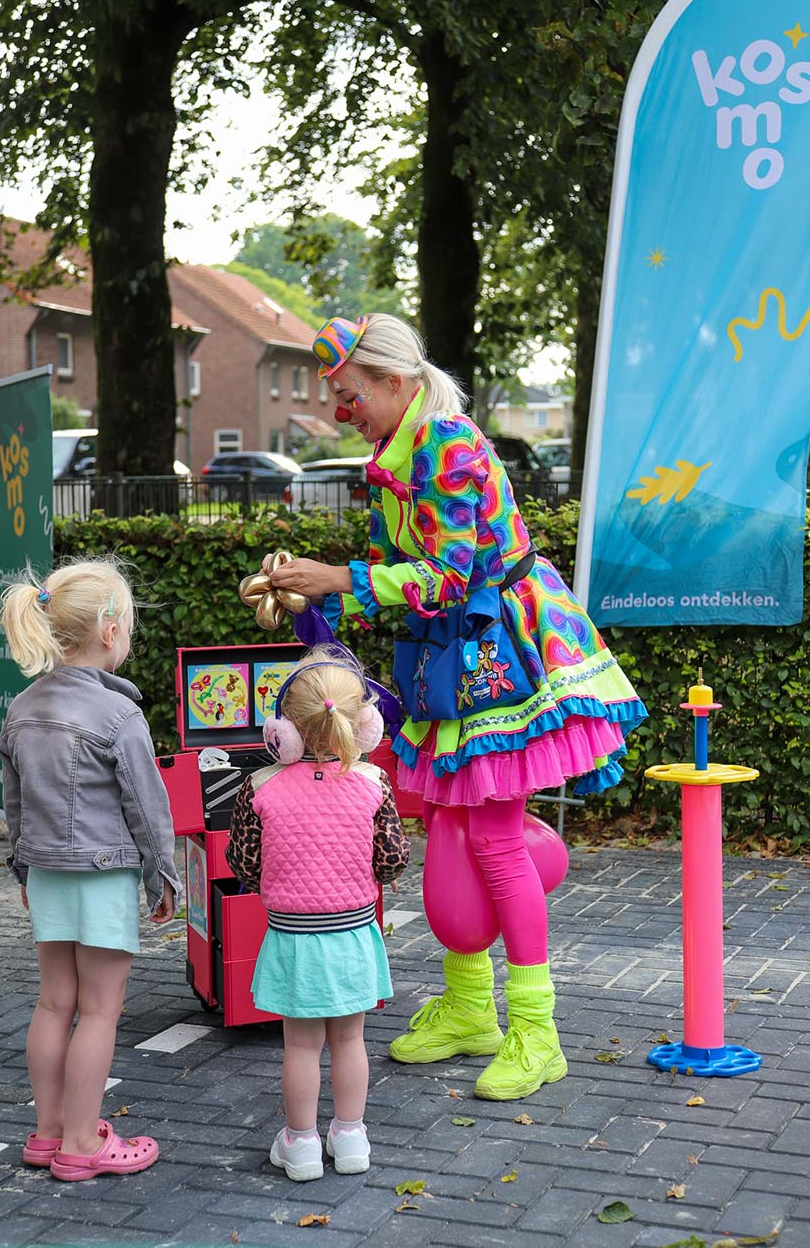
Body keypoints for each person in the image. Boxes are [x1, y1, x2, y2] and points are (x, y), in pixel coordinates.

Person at [264, 313, 646, 1102]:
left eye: (349, 394)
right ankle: (472, 1006)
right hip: (447, 657)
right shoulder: (393, 454)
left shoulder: (449, 448)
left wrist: (339, 579)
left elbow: (448, 574)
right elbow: (392, 571)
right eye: (338, 396)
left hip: (496, 650)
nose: (342, 410)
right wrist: (314, 598)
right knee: (446, 824)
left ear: (395, 383)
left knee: (495, 836)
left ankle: (535, 1031)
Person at [0, 556, 182, 1182]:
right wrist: (165, 876)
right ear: (110, 631)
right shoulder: (119, 716)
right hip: (103, 873)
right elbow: (147, 805)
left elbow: (13, 804)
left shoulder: (22, 708)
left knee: (54, 1004)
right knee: (100, 1010)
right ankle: (83, 1142)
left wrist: (24, 869)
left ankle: (48, 1133)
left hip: (46, 871)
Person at [226, 644, 410, 1182]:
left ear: (281, 729)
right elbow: (393, 858)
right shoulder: (374, 784)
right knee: (350, 1039)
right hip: (353, 932)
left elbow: (244, 861)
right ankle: (351, 1136)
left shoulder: (258, 786)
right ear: (365, 724)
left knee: (300, 1047)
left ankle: (301, 1143)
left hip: (291, 936)